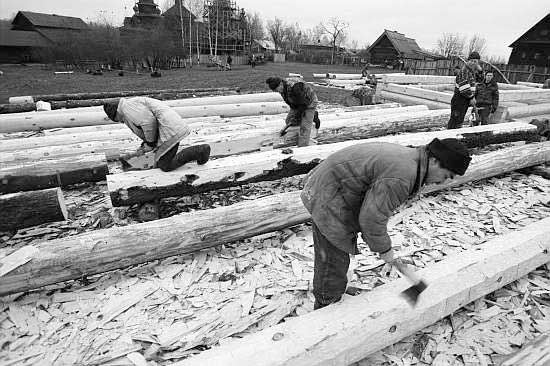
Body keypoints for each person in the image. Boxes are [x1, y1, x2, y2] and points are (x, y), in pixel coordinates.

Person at [301, 138, 472, 309]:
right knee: (334, 257)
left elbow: (372, 211)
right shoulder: (401, 176)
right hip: (327, 194)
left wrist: (378, 243)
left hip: (335, 186)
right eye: (446, 175)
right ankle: (325, 307)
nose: (442, 182)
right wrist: (384, 249)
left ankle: (329, 296)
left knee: (339, 245)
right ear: (434, 160)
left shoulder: (412, 161)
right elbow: (372, 218)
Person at [103, 97, 210, 172]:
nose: (120, 121)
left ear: (116, 113)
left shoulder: (128, 108)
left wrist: (150, 143)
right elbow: (144, 127)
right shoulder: (128, 107)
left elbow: (148, 122)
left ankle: (199, 151)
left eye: (118, 119)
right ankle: (198, 152)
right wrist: (146, 144)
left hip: (170, 130)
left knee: (165, 165)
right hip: (168, 128)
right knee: (160, 161)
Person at [266, 76, 319, 147]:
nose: (277, 92)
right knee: (289, 120)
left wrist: (297, 115)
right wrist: (294, 116)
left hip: (309, 103)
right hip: (297, 104)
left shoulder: (295, 86)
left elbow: (303, 104)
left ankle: (303, 146)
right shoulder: (283, 89)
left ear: (280, 84)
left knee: (304, 128)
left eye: (277, 90)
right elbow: (290, 102)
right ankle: (311, 116)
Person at [448, 51, 483, 129]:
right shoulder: (464, 71)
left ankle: (455, 134)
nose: (473, 63)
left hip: (464, 100)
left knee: (459, 119)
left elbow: (480, 80)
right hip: (459, 100)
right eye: (472, 61)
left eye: (475, 62)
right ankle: (450, 136)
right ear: (468, 61)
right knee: (455, 120)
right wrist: (471, 97)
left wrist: (480, 71)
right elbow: (464, 88)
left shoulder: (472, 72)